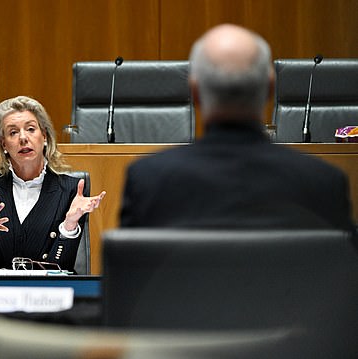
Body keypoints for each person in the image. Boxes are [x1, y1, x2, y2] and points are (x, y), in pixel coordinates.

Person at [121, 24, 354, 230]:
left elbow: (130, 276)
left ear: (194, 91)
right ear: (271, 87)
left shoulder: (149, 183)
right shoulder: (324, 183)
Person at [0, 95, 106, 272]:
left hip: (46, 293)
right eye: (13, 132)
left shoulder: (70, 190)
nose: (23, 138)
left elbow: (62, 267)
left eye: (31, 129)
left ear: (44, 136)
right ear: (4, 144)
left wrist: (70, 224)